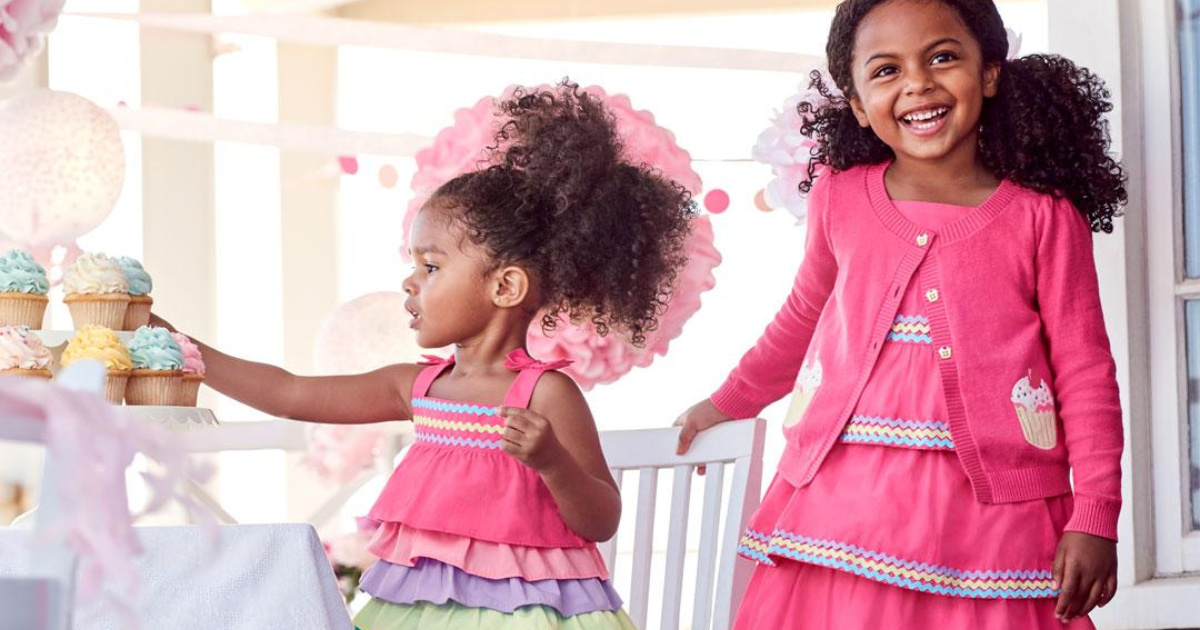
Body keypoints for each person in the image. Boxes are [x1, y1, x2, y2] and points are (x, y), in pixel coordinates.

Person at [155, 80, 696, 630]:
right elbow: (292, 393)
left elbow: (600, 519)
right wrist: (189, 352)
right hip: (425, 613)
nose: (410, 284)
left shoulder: (546, 394)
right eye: (414, 267)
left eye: (431, 267)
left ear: (505, 287)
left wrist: (552, 461)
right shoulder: (416, 388)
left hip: (531, 614)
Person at [673, 1, 1126, 628]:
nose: (918, 83)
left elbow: (1085, 371)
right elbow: (804, 315)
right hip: (841, 500)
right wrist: (727, 401)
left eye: (943, 57)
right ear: (857, 103)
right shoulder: (840, 195)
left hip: (995, 518)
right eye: (886, 70)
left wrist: (1096, 516)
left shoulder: (1043, 217)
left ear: (990, 72)